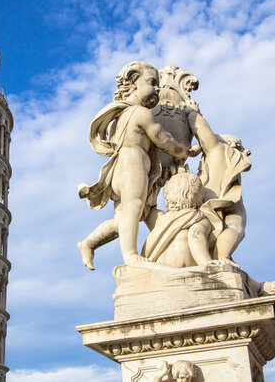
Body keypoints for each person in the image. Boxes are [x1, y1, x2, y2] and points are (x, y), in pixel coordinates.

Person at [78, 61, 189, 270]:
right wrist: (184, 150)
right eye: (151, 82)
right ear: (133, 82)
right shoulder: (140, 112)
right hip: (132, 164)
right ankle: (130, 254)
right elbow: (162, 138)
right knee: (135, 207)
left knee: (128, 217)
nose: (157, 88)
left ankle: (88, 243)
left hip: (128, 167)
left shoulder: (122, 114)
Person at [188, 111, 251, 262]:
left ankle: (207, 261)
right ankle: (223, 257)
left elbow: (199, 126)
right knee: (235, 229)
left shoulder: (217, 149)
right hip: (233, 200)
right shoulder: (234, 159)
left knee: (198, 231)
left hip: (210, 201)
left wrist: (192, 111)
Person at [141, 173, 214, 267]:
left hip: (158, 269)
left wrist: (158, 177)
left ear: (167, 196)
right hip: (181, 271)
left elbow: (146, 204)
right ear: (198, 196)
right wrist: (205, 261)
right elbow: (196, 236)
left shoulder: (159, 218)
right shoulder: (197, 218)